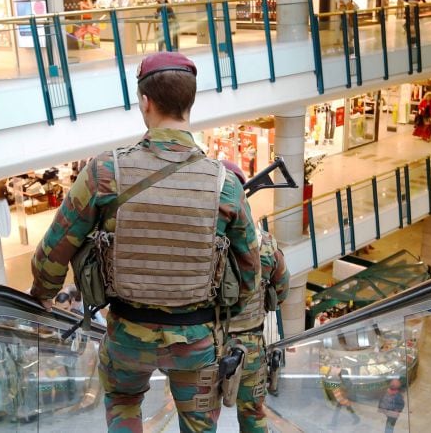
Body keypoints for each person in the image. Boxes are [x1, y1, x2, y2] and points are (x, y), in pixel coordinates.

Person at [31, 51, 260, 432]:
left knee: (122, 400)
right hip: (197, 343)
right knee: (200, 426)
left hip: (126, 337)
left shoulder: (106, 172)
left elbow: (54, 249)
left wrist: (43, 293)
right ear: (190, 102)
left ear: (145, 102)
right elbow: (249, 270)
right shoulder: (225, 183)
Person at [221, 161, 290, 433]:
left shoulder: (200, 242)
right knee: (252, 413)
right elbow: (282, 290)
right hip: (248, 345)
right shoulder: (265, 243)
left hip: (203, 344)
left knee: (200, 420)